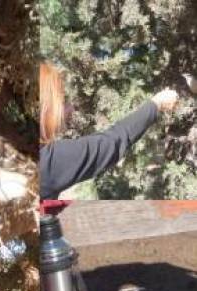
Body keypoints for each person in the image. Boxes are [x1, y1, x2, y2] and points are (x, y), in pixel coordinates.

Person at [40, 63, 179, 199]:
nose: (70, 109)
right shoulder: (50, 160)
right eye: (63, 102)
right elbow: (114, 141)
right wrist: (156, 104)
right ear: (45, 108)